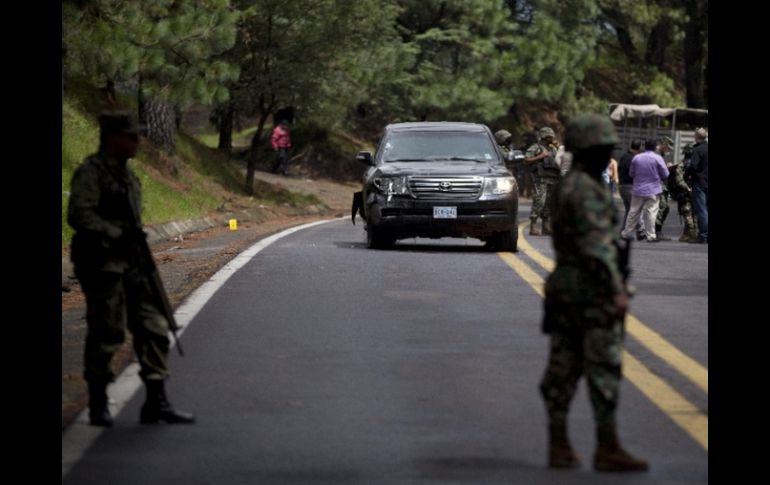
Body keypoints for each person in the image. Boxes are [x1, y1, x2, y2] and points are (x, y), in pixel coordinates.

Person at [68, 111, 195, 427]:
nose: (137, 142)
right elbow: (79, 215)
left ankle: (156, 401)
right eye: (131, 136)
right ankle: (98, 400)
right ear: (113, 138)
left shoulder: (129, 177)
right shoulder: (91, 173)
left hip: (134, 263)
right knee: (106, 332)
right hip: (103, 265)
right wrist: (115, 235)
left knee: (153, 326)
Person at [540, 113, 648, 472]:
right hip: (591, 290)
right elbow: (596, 248)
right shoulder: (586, 190)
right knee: (603, 368)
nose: (607, 154)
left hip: (565, 289)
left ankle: (558, 444)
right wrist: (616, 291)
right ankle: (607, 445)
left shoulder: (566, 185)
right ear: (588, 150)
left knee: (563, 368)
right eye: (601, 148)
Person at [620, 139, 669, 242]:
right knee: (651, 213)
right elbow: (666, 174)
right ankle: (651, 236)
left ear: (644, 147)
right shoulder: (658, 158)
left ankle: (626, 233)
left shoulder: (636, 158)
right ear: (655, 147)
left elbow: (631, 174)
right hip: (653, 190)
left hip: (637, 189)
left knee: (633, 212)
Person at [525, 127, 561, 235]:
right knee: (539, 202)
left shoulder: (553, 149)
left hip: (553, 179)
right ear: (543, 137)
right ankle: (533, 227)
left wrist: (559, 148)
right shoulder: (536, 147)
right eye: (549, 136)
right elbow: (526, 160)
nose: (551, 138)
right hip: (540, 179)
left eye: (552, 136)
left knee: (549, 204)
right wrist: (540, 156)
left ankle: (546, 227)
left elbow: (561, 159)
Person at [686, 127, 708, 243]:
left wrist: (687, 174)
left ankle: (703, 236)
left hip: (699, 182)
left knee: (701, 210)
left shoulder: (697, 150)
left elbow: (693, 166)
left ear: (696, 137)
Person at [616, 139, 643, 232]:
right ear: (639, 148)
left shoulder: (624, 156)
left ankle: (624, 229)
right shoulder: (632, 159)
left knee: (629, 209)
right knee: (636, 209)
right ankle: (641, 230)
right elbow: (633, 173)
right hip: (629, 186)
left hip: (622, 186)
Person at [653, 137, 675, 240]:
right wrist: (667, 168)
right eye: (668, 148)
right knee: (662, 208)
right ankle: (656, 231)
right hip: (657, 185)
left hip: (663, 185)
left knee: (664, 208)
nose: (669, 151)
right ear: (663, 144)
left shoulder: (661, 155)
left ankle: (657, 230)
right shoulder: (655, 154)